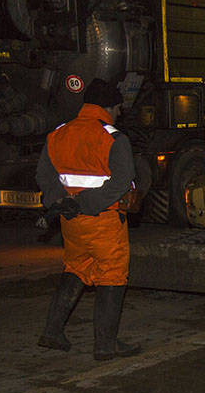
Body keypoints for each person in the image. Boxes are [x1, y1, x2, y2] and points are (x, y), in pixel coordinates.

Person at [36, 78, 141, 361]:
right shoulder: (114, 138)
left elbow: (45, 177)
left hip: (71, 222)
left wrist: (63, 202)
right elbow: (121, 183)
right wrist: (85, 203)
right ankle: (106, 345)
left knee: (76, 267)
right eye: (118, 107)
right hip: (103, 220)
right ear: (111, 106)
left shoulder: (59, 133)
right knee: (112, 274)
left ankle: (52, 331)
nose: (119, 113)